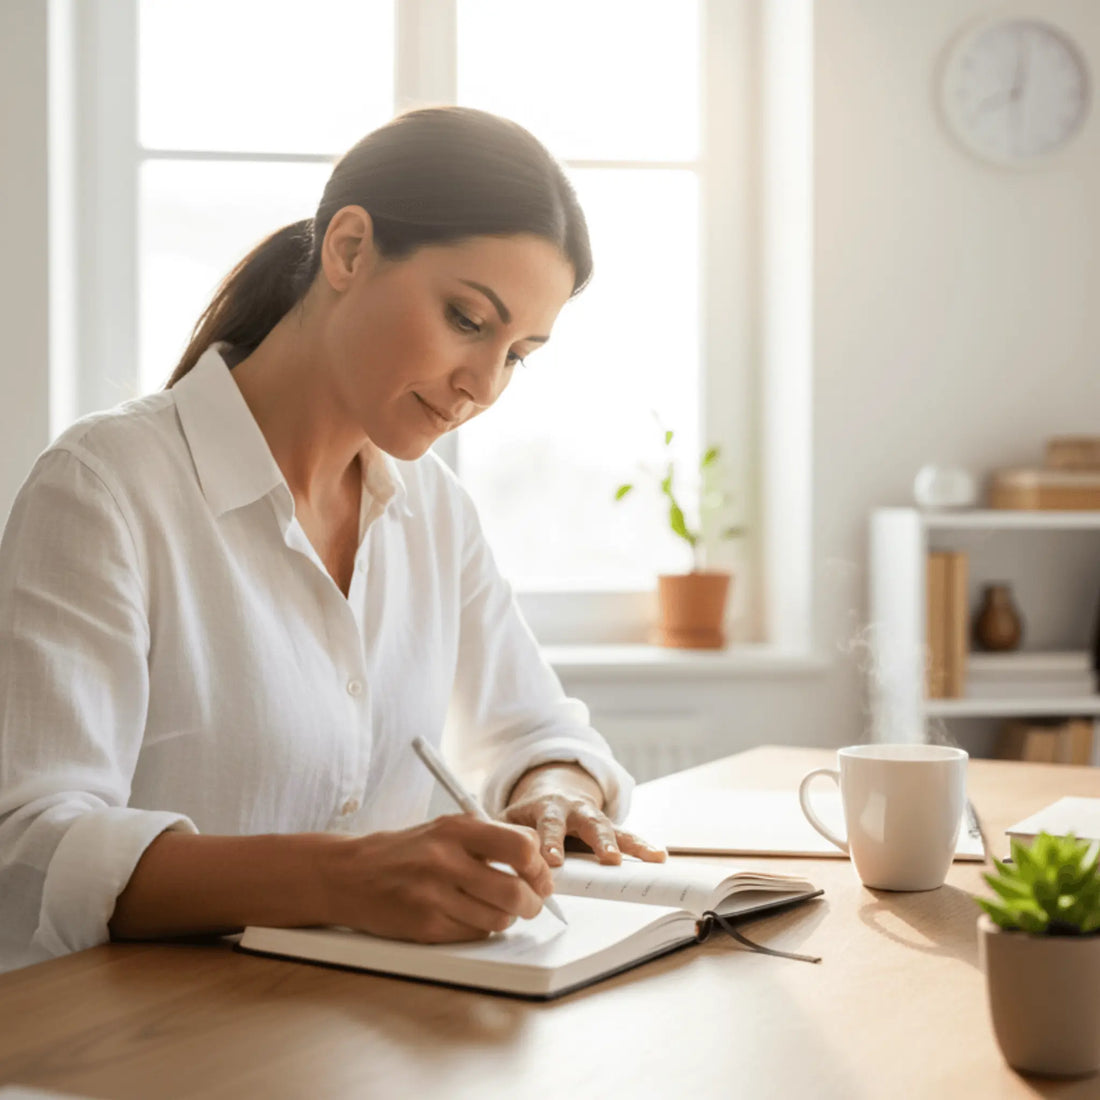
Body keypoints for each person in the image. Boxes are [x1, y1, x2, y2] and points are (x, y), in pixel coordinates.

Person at [0, 106, 666, 974]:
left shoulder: (435, 512)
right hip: (147, 1045)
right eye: (468, 319)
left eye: (517, 354)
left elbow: (536, 729)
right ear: (349, 250)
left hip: (368, 1032)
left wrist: (553, 794)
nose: (483, 385)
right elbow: (33, 852)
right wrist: (344, 878)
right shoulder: (106, 487)